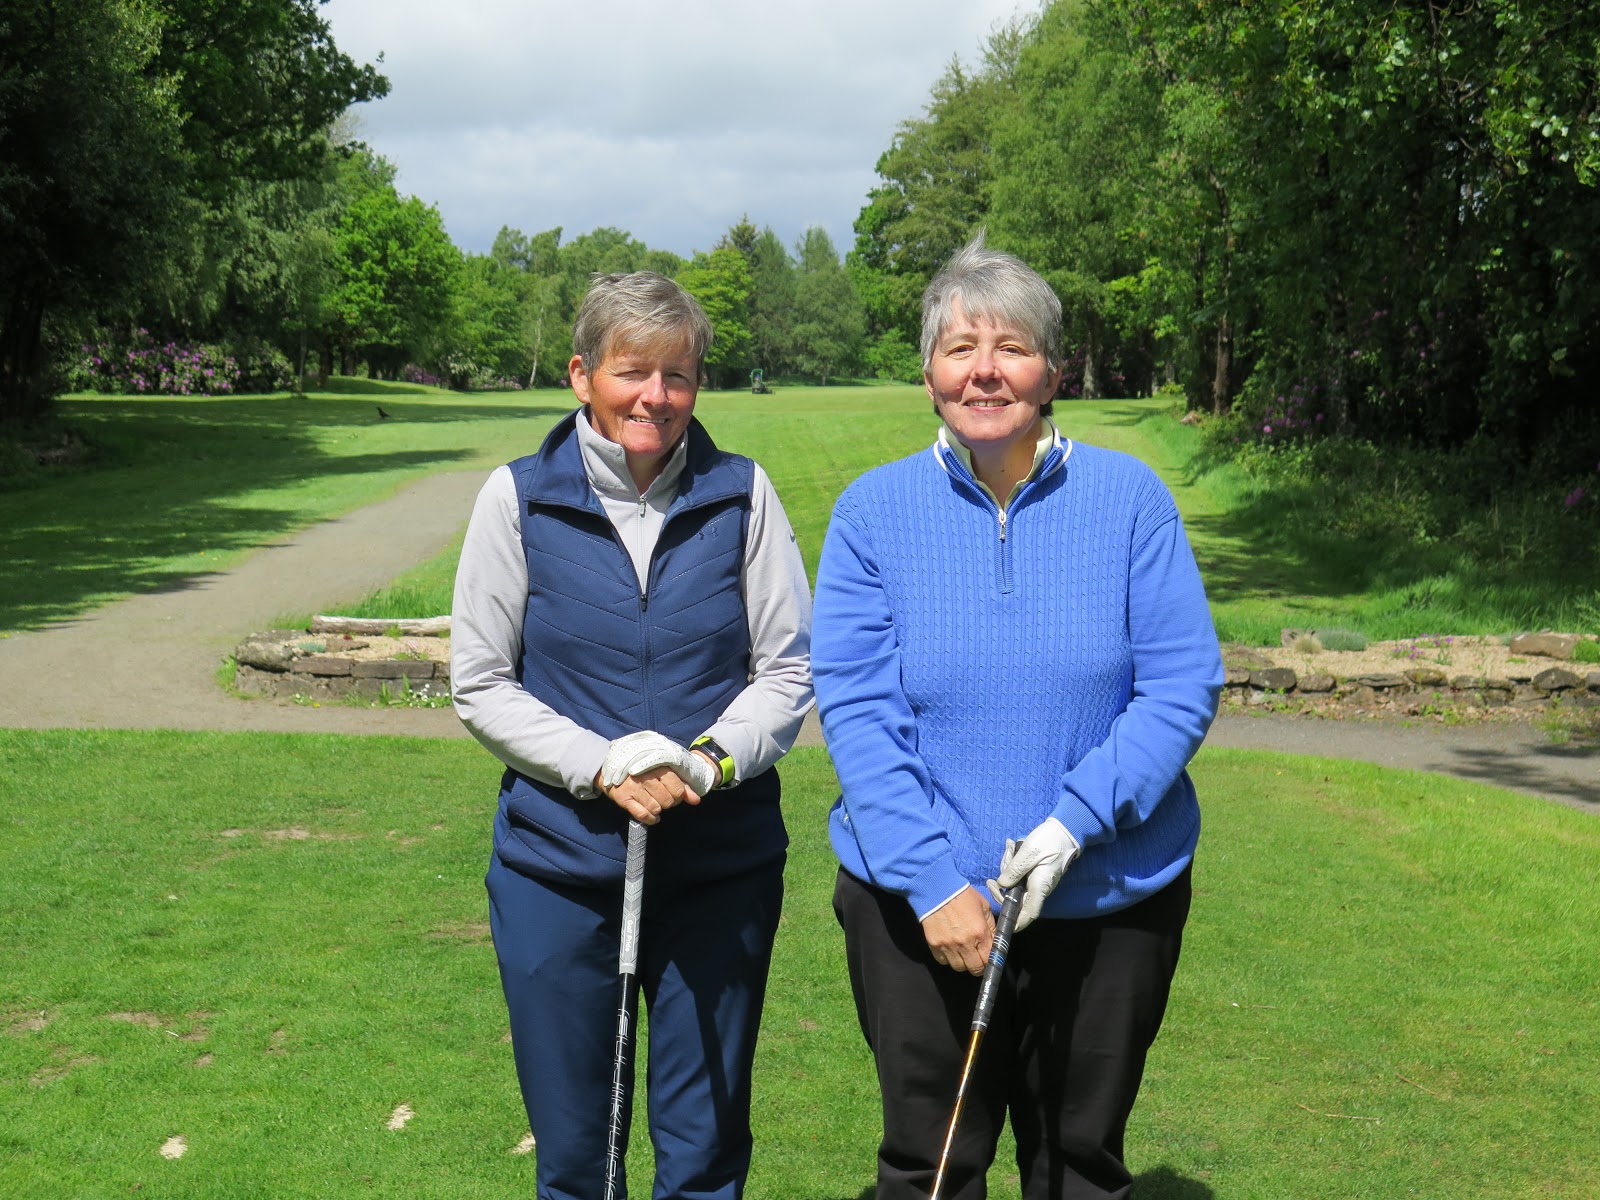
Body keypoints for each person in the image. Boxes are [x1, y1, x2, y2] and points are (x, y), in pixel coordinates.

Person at [811, 236, 1222, 1200]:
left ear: (1052, 371)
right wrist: (932, 884)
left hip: (1109, 895)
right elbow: (861, 713)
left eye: (1011, 347)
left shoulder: (1129, 501)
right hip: (921, 910)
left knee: (1075, 1164)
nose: (984, 370)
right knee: (931, 1167)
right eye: (959, 349)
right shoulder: (872, 512)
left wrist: (1068, 825)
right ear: (928, 373)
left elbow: (1179, 688)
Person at [451, 271, 813, 1200]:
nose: (656, 396)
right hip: (557, 873)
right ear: (581, 375)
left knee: (701, 1154)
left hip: (716, 867)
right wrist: (599, 761)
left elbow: (788, 670)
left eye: (679, 374)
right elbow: (481, 681)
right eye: (632, 370)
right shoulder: (518, 499)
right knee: (576, 1157)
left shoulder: (742, 494)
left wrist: (707, 761)